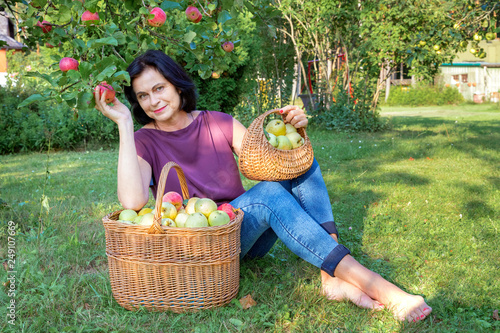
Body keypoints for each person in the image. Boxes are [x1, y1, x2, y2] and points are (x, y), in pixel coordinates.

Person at [94, 49, 432, 323]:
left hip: (245, 235)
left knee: (301, 161)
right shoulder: (144, 140)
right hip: (201, 247)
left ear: (177, 86)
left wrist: (293, 131)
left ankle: (333, 278)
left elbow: (275, 162)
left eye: (159, 88)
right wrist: (124, 123)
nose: (153, 101)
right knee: (269, 194)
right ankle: (376, 285)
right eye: (142, 96)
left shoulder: (219, 122)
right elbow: (132, 200)